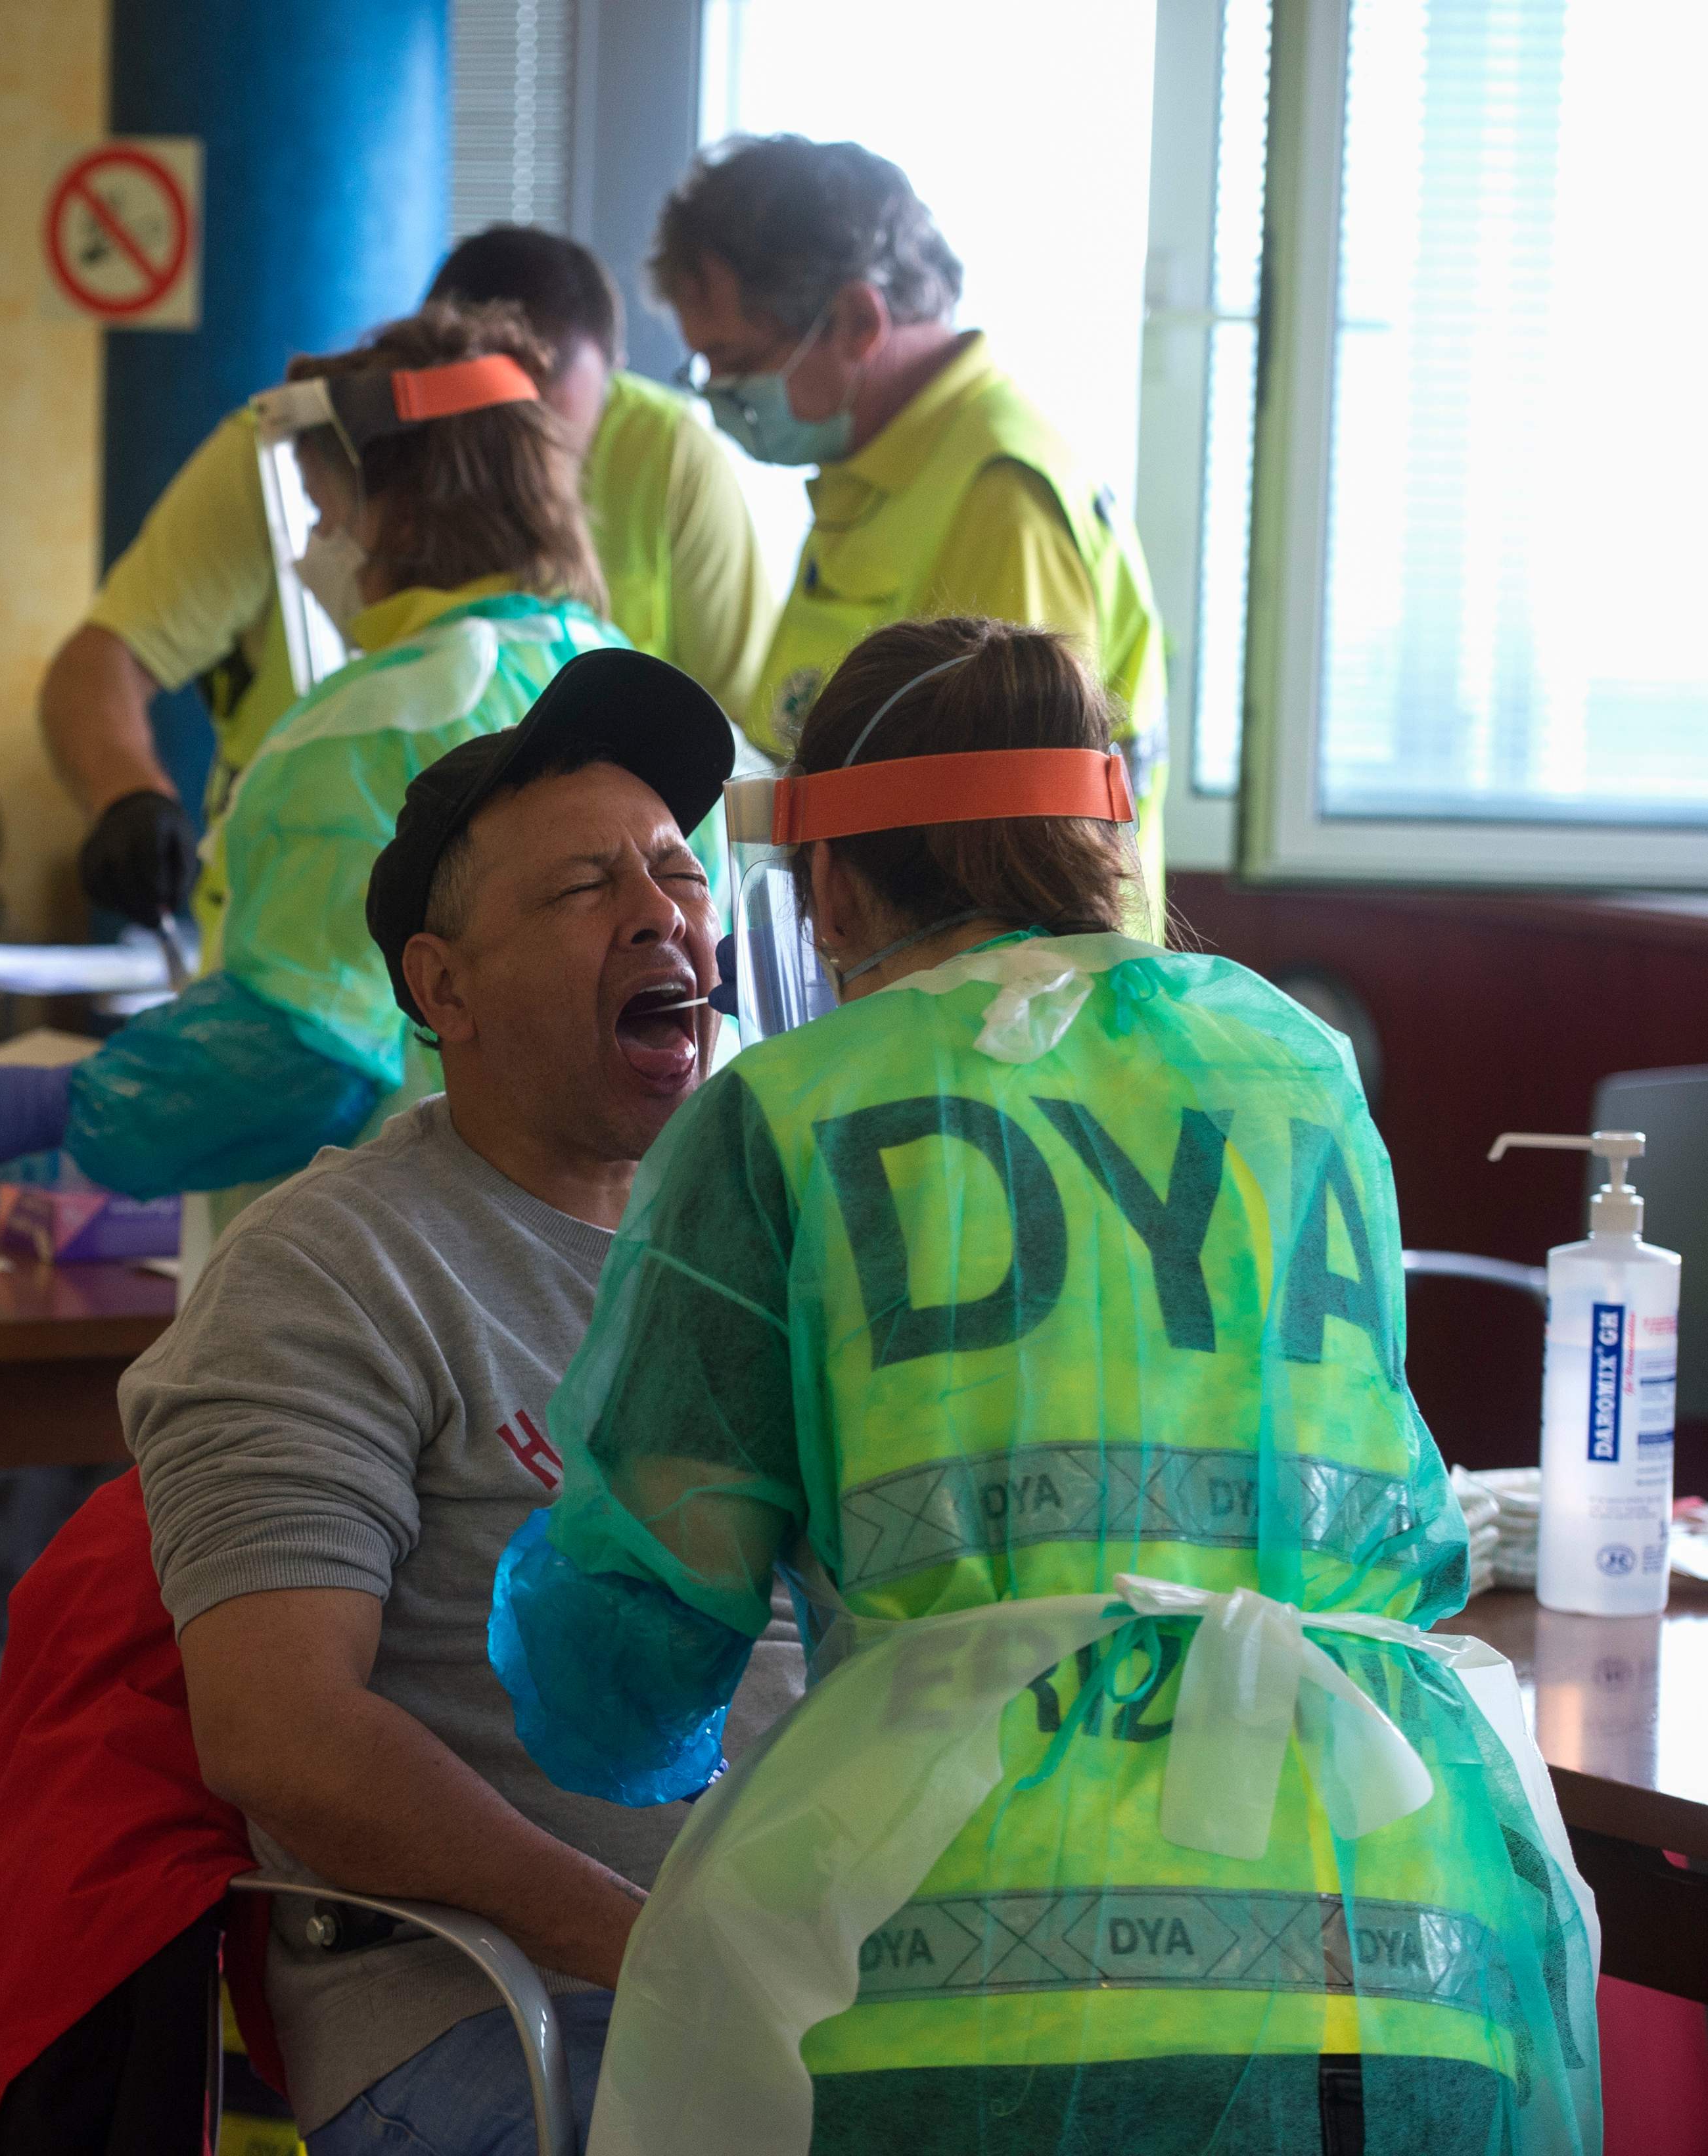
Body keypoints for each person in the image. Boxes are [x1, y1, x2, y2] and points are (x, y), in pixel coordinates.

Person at [492, 619, 1598, 2156]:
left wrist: (549, 1581)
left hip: (973, 1980)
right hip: (1402, 1950)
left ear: (832, 882)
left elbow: (631, 1672)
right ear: (1098, 841)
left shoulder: (794, 1113)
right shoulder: (1302, 1069)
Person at [120, 648, 801, 2155]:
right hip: (508, 2007)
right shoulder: (333, 1267)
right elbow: (281, 1730)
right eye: (581, 889)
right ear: (443, 988)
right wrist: (651, 1943)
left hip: (812, 1981)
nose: (662, 913)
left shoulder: (773, 1232)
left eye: (679, 872)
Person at [0, 302, 630, 1212]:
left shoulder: (366, 730)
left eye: (323, 511)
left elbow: (303, 1057)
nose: (313, 546)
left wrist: (78, 1107)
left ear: (399, 511)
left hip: (381, 1276)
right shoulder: (628, 688)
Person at [45, 223, 773, 937]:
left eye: (544, 432)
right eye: (498, 427)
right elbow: (100, 664)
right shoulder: (290, 457)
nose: (519, 460)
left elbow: (742, 750)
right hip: (298, 910)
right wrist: (127, 797)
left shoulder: (671, 455)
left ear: (611, 370)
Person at [655, 135, 1170, 921]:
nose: (718, 397)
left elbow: (1016, 847)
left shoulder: (999, 494)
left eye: (733, 362)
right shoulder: (871, 475)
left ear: (859, 320)